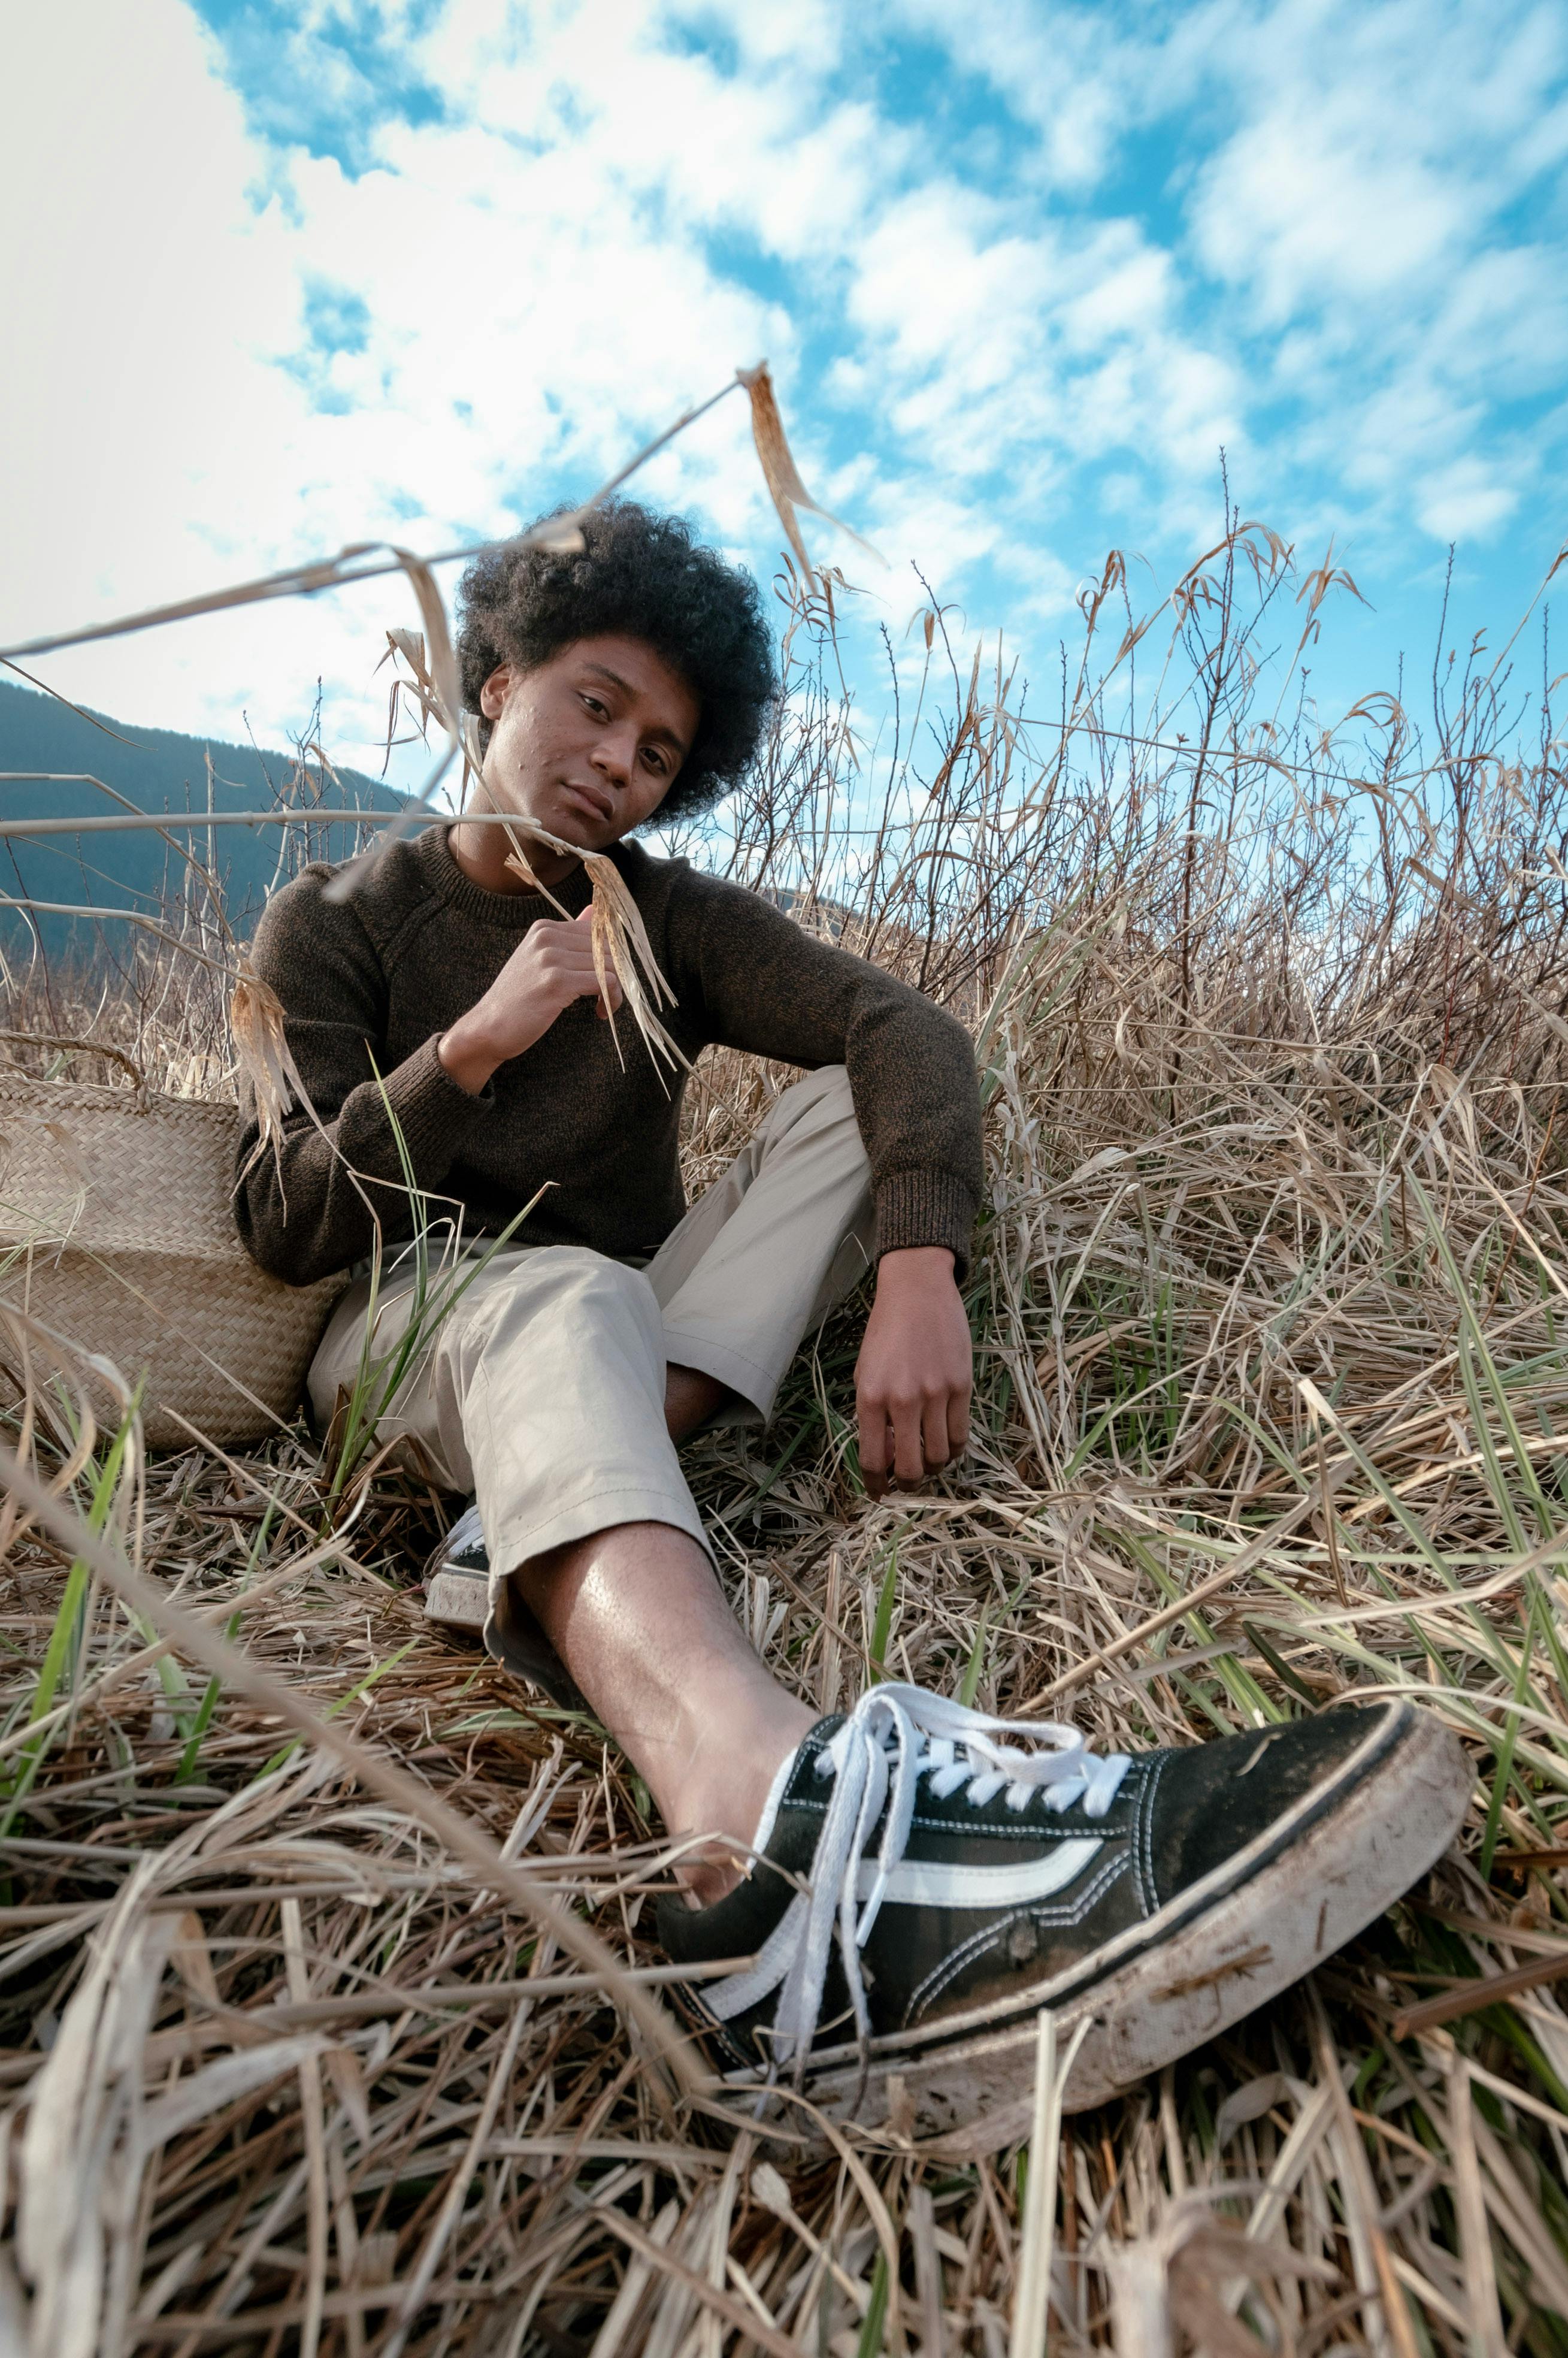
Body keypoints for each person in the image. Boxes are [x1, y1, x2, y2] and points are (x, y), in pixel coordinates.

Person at [235, 501, 1469, 2137]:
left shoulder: (663, 920)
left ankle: (530, 1523)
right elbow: (281, 1220)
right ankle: (757, 1838)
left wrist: (915, 1269)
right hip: (411, 1338)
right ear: (493, 683)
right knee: (569, 1292)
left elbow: (903, 1027)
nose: (618, 762)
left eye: (661, 748)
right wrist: (473, 1044)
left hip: (614, 1336)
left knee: (842, 1109)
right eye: (592, 704)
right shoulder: (336, 919)